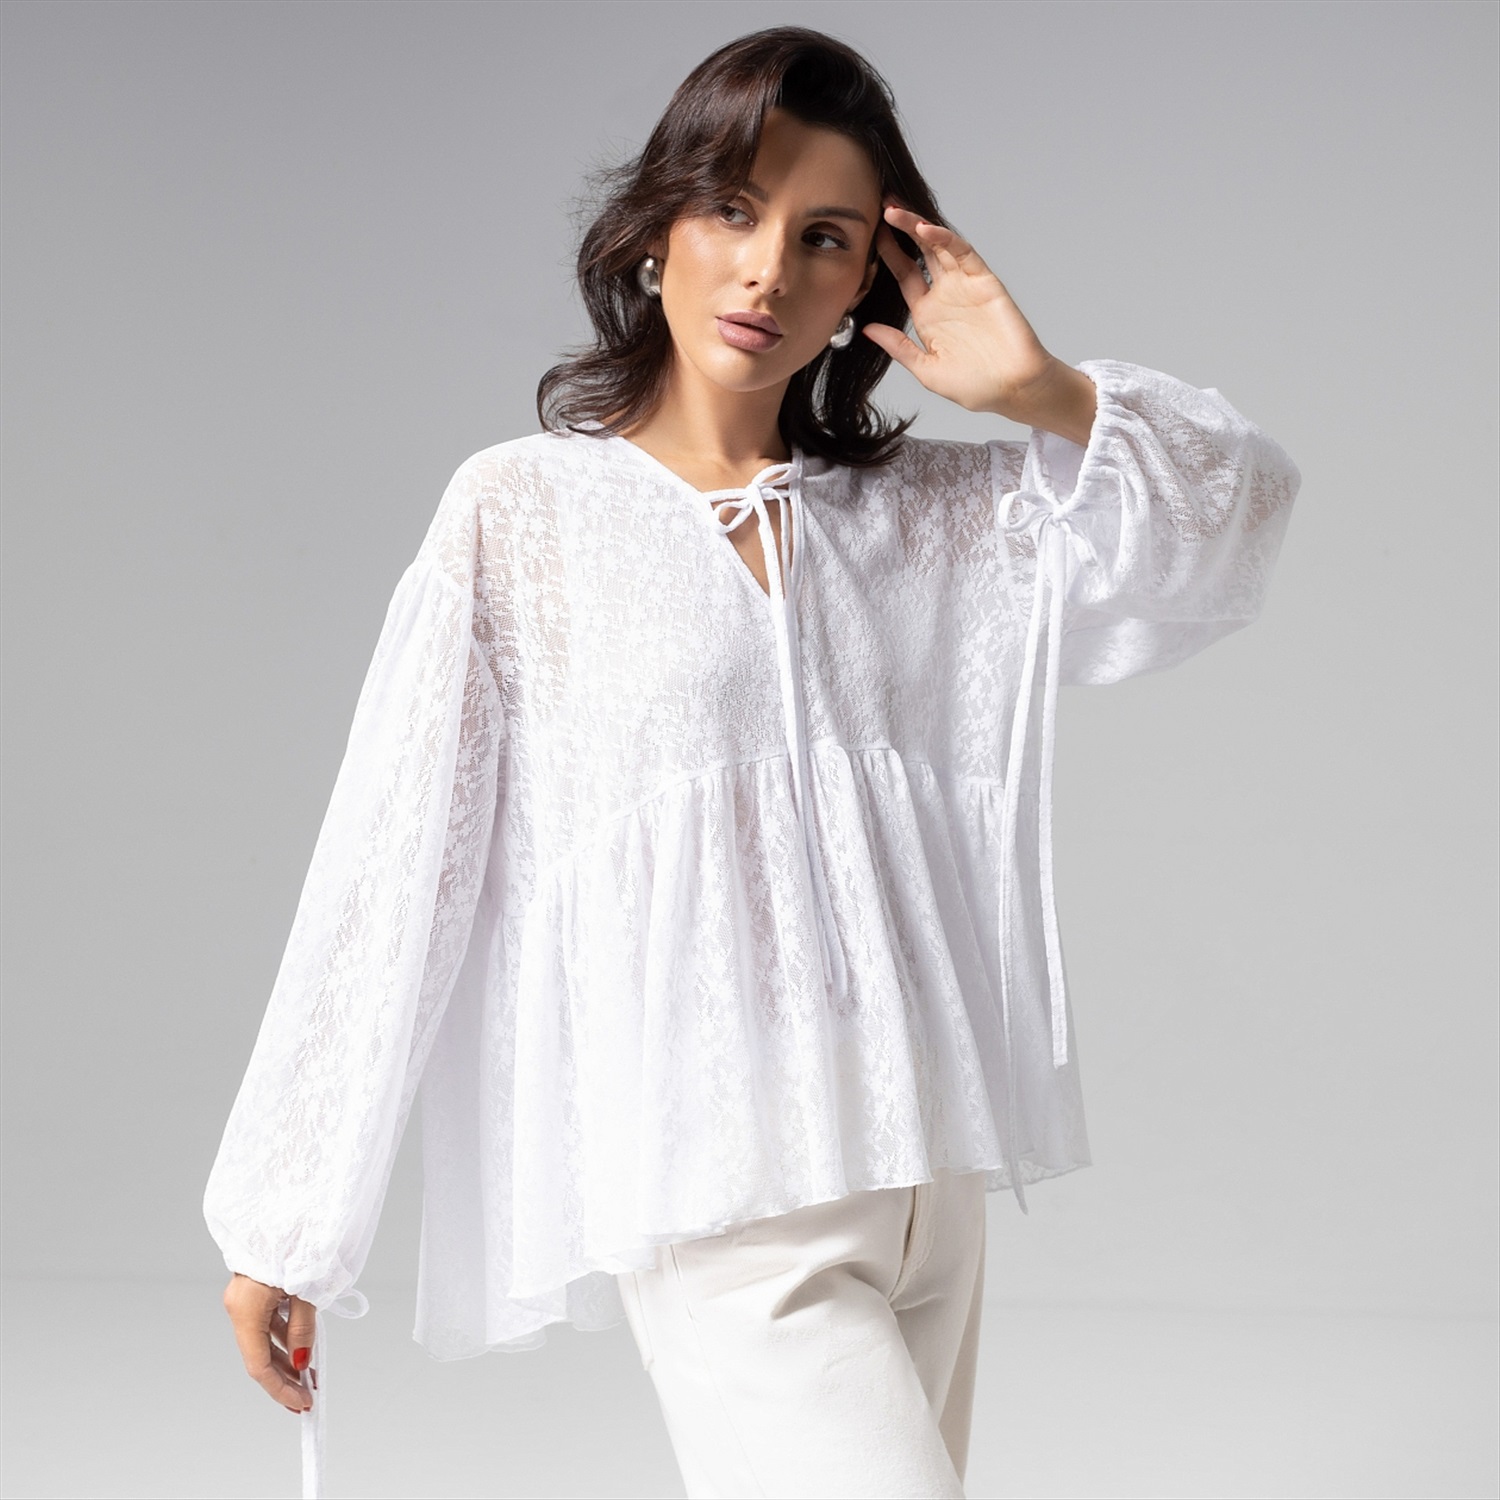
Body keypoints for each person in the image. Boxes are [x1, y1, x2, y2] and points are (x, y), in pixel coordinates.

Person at [204, 24, 1302, 1500]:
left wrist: (1042, 390)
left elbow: (1239, 518)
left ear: (868, 287)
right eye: (733, 209)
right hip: (724, 1176)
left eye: (825, 238)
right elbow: (399, 859)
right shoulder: (524, 515)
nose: (770, 270)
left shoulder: (932, 520)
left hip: (930, 1168)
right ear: (657, 228)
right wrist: (286, 1219)